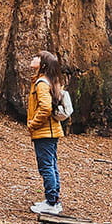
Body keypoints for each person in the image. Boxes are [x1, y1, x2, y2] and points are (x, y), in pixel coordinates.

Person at [26, 51, 68, 215]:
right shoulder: (48, 81)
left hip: (45, 132)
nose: (33, 58)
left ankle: (51, 203)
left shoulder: (42, 83)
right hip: (50, 131)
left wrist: (33, 124)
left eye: (37, 57)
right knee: (51, 165)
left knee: (46, 167)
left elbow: (45, 108)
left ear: (42, 64)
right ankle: (54, 201)